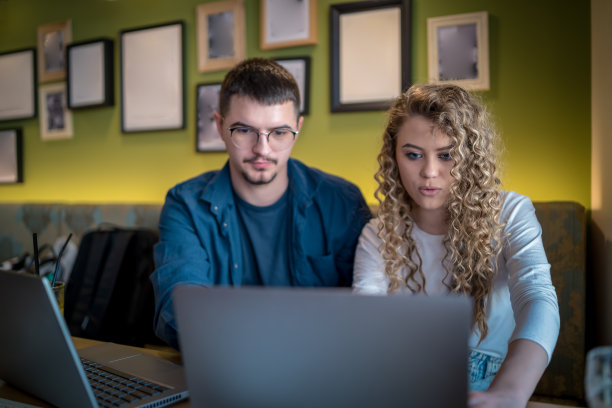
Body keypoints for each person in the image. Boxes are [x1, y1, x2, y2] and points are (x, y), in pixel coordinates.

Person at [352, 84, 560, 407]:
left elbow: (537, 296)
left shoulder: (511, 212)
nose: (429, 173)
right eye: (413, 154)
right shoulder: (376, 235)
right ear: (394, 156)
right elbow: (365, 326)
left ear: (470, 157)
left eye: (447, 155)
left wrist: (509, 393)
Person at [151, 58, 371, 349]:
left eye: (279, 133)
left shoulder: (342, 202)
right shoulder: (185, 205)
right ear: (219, 125)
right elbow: (179, 309)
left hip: (322, 371)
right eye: (244, 130)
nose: (262, 149)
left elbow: (367, 317)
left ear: (298, 128)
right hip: (222, 368)